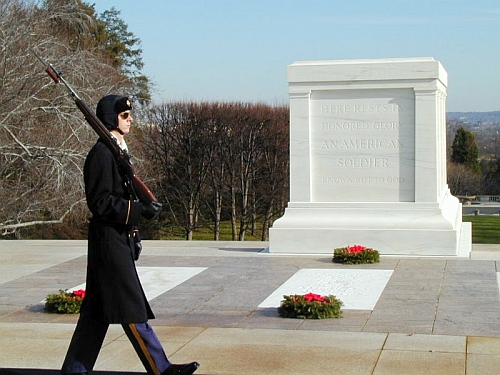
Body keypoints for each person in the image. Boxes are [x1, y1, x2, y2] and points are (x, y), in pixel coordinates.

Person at [61, 95, 199, 375]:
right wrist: (138, 209)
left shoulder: (116, 151)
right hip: (108, 242)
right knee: (131, 307)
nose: (131, 118)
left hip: (117, 239)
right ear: (112, 119)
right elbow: (100, 203)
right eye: (125, 115)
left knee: (96, 315)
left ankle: (75, 371)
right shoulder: (101, 154)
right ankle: (162, 369)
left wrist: (133, 232)